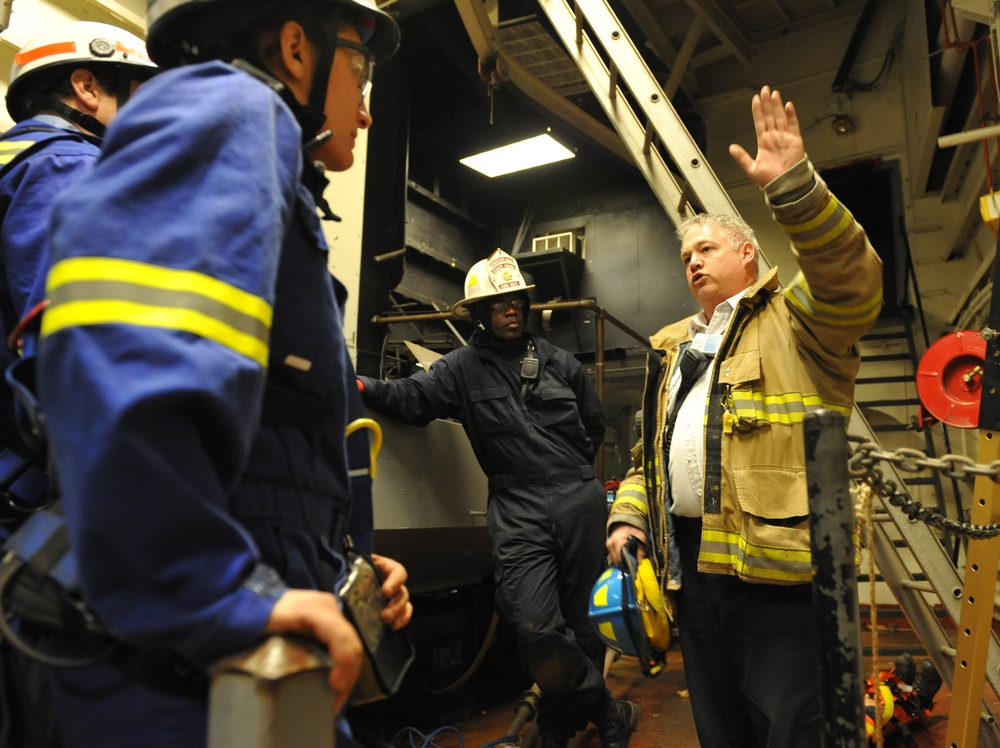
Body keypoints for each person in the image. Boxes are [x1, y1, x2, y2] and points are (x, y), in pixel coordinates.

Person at [27, 0, 412, 746]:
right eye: (360, 73)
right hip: (174, 676)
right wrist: (216, 592)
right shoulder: (231, 110)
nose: (364, 114)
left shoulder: (254, 155)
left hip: (200, 647)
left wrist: (340, 567)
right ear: (297, 49)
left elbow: (261, 440)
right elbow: (129, 359)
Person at [605, 85, 883, 747]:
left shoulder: (797, 322)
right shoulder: (671, 348)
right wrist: (629, 516)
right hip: (690, 573)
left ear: (748, 255)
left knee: (789, 729)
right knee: (720, 727)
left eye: (706, 249)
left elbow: (853, 278)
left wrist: (795, 189)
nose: (692, 260)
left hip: (778, 576)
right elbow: (651, 459)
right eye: (685, 257)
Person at [358, 248, 639, 748]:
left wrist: (569, 478)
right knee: (534, 626)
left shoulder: (563, 364)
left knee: (584, 626)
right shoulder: (459, 369)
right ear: (480, 314)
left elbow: (593, 427)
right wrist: (360, 384)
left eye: (516, 300)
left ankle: (556, 729)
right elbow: (412, 398)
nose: (511, 309)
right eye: (498, 303)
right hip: (516, 505)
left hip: (578, 497)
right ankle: (605, 708)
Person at [0, 21, 157, 530]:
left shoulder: (16, 160)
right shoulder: (71, 166)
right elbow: (76, 342)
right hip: (29, 484)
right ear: (88, 87)